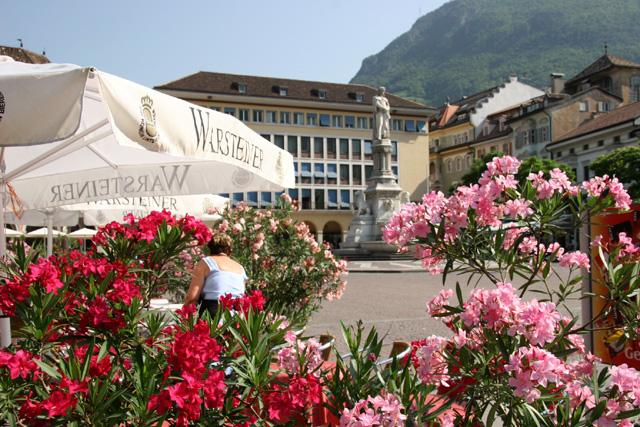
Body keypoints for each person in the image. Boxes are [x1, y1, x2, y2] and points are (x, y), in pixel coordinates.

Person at [184, 234, 247, 318]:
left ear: (210, 248)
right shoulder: (240, 268)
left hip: (212, 315)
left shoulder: (206, 262)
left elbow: (192, 298)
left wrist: (185, 318)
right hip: (237, 316)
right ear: (229, 250)